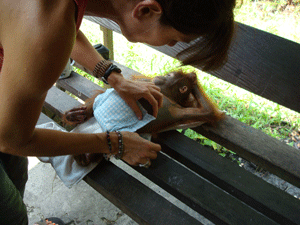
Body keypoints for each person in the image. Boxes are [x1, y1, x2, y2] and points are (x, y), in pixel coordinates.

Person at [0, 0, 236, 224]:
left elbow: (63, 26)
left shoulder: (55, 15)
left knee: (15, 174)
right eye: (176, 39)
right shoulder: (44, 32)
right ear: (145, 11)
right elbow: (12, 140)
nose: (172, 45)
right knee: (10, 213)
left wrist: (112, 76)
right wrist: (114, 143)